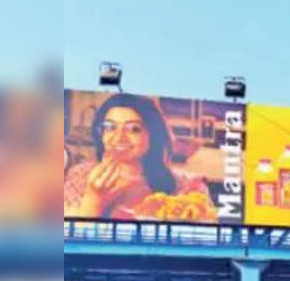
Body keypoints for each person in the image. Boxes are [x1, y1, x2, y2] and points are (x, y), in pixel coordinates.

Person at [64, 93, 214, 220]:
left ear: (153, 135)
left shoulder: (188, 188)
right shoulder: (80, 177)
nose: (119, 138)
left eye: (134, 129)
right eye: (110, 127)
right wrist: (94, 200)